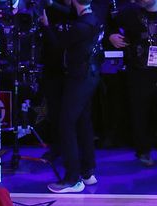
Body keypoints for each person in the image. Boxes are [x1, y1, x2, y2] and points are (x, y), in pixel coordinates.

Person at [109, 0, 157, 167]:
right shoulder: (129, 12)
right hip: (139, 69)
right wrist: (111, 35)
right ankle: (143, 151)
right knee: (140, 112)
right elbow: (110, 25)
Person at [44, 0, 102, 193]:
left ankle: (73, 178)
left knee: (66, 123)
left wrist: (46, 25)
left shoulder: (81, 26)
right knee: (83, 122)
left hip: (79, 78)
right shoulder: (92, 18)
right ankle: (87, 172)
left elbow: (57, 44)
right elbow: (70, 11)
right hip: (89, 77)